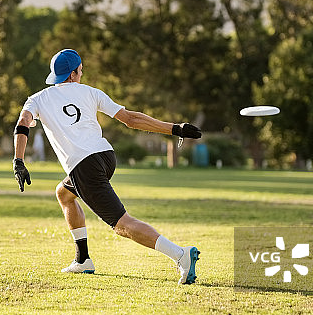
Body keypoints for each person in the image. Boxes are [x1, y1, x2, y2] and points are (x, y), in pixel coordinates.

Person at [12, 49, 202, 284]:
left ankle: (180, 254)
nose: (81, 74)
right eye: (80, 71)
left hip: (84, 166)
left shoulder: (37, 99)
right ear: (73, 74)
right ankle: (83, 260)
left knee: (122, 224)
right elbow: (131, 119)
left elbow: (23, 124)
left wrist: (18, 160)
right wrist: (176, 128)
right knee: (64, 194)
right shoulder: (92, 93)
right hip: (105, 156)